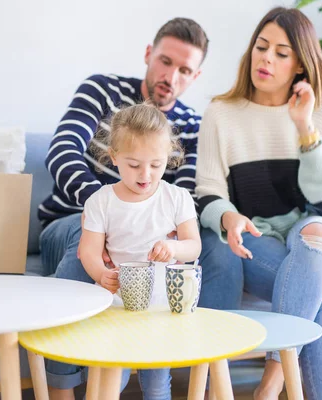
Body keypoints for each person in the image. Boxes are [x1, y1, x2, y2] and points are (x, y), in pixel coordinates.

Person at [37, 17, 208, 400]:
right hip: (72, 219)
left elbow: (182, 197)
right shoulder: (103, 89)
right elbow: (62, 151)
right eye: (165, 62)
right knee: (85, 242)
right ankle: (62, 388)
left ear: (195, 75)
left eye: (184, 70)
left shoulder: (194, 126)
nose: (171, 76)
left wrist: (152, 228)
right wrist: (109, 210)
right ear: (149, 54)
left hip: (145, 240)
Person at [195, 7, 322, 400]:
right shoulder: (221, 113)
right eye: (262, 47)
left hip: (310, 230)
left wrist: (304, 128)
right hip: (255, 233)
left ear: (300, 65)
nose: (266, 58)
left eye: (282, 53)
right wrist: (228, 217)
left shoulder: (318, 114)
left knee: (316, 235)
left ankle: (272, 382)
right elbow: (208, 190)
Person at [79, 102, 201, 399]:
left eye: (156, 165)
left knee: (158, 384)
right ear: (114, 157)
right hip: (115, 307)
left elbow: (193, 246)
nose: (145, 174)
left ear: (167, 159)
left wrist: (172, 246)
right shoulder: (101, 200)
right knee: (109, 379)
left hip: (162, 309)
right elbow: (88, 251)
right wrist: (101, 272)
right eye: (134, 165)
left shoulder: (177, 198)